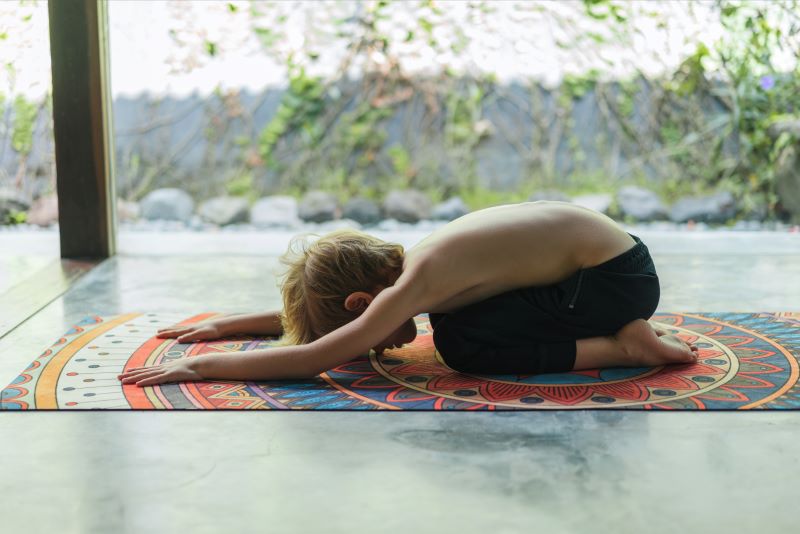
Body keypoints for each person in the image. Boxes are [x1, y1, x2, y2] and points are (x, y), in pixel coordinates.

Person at [118, 201, 698, 387]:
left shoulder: (420, 283)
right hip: (615, 267)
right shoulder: (421, 263)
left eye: (371, 342)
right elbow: (340, 329)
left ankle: (625, 348)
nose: (380, 349)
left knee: (466, 344)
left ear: (361, 306)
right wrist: (228, 325)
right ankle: (617, 328)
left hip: (609, 286)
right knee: (457, 321)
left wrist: (205, 367)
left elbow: (320, 356)